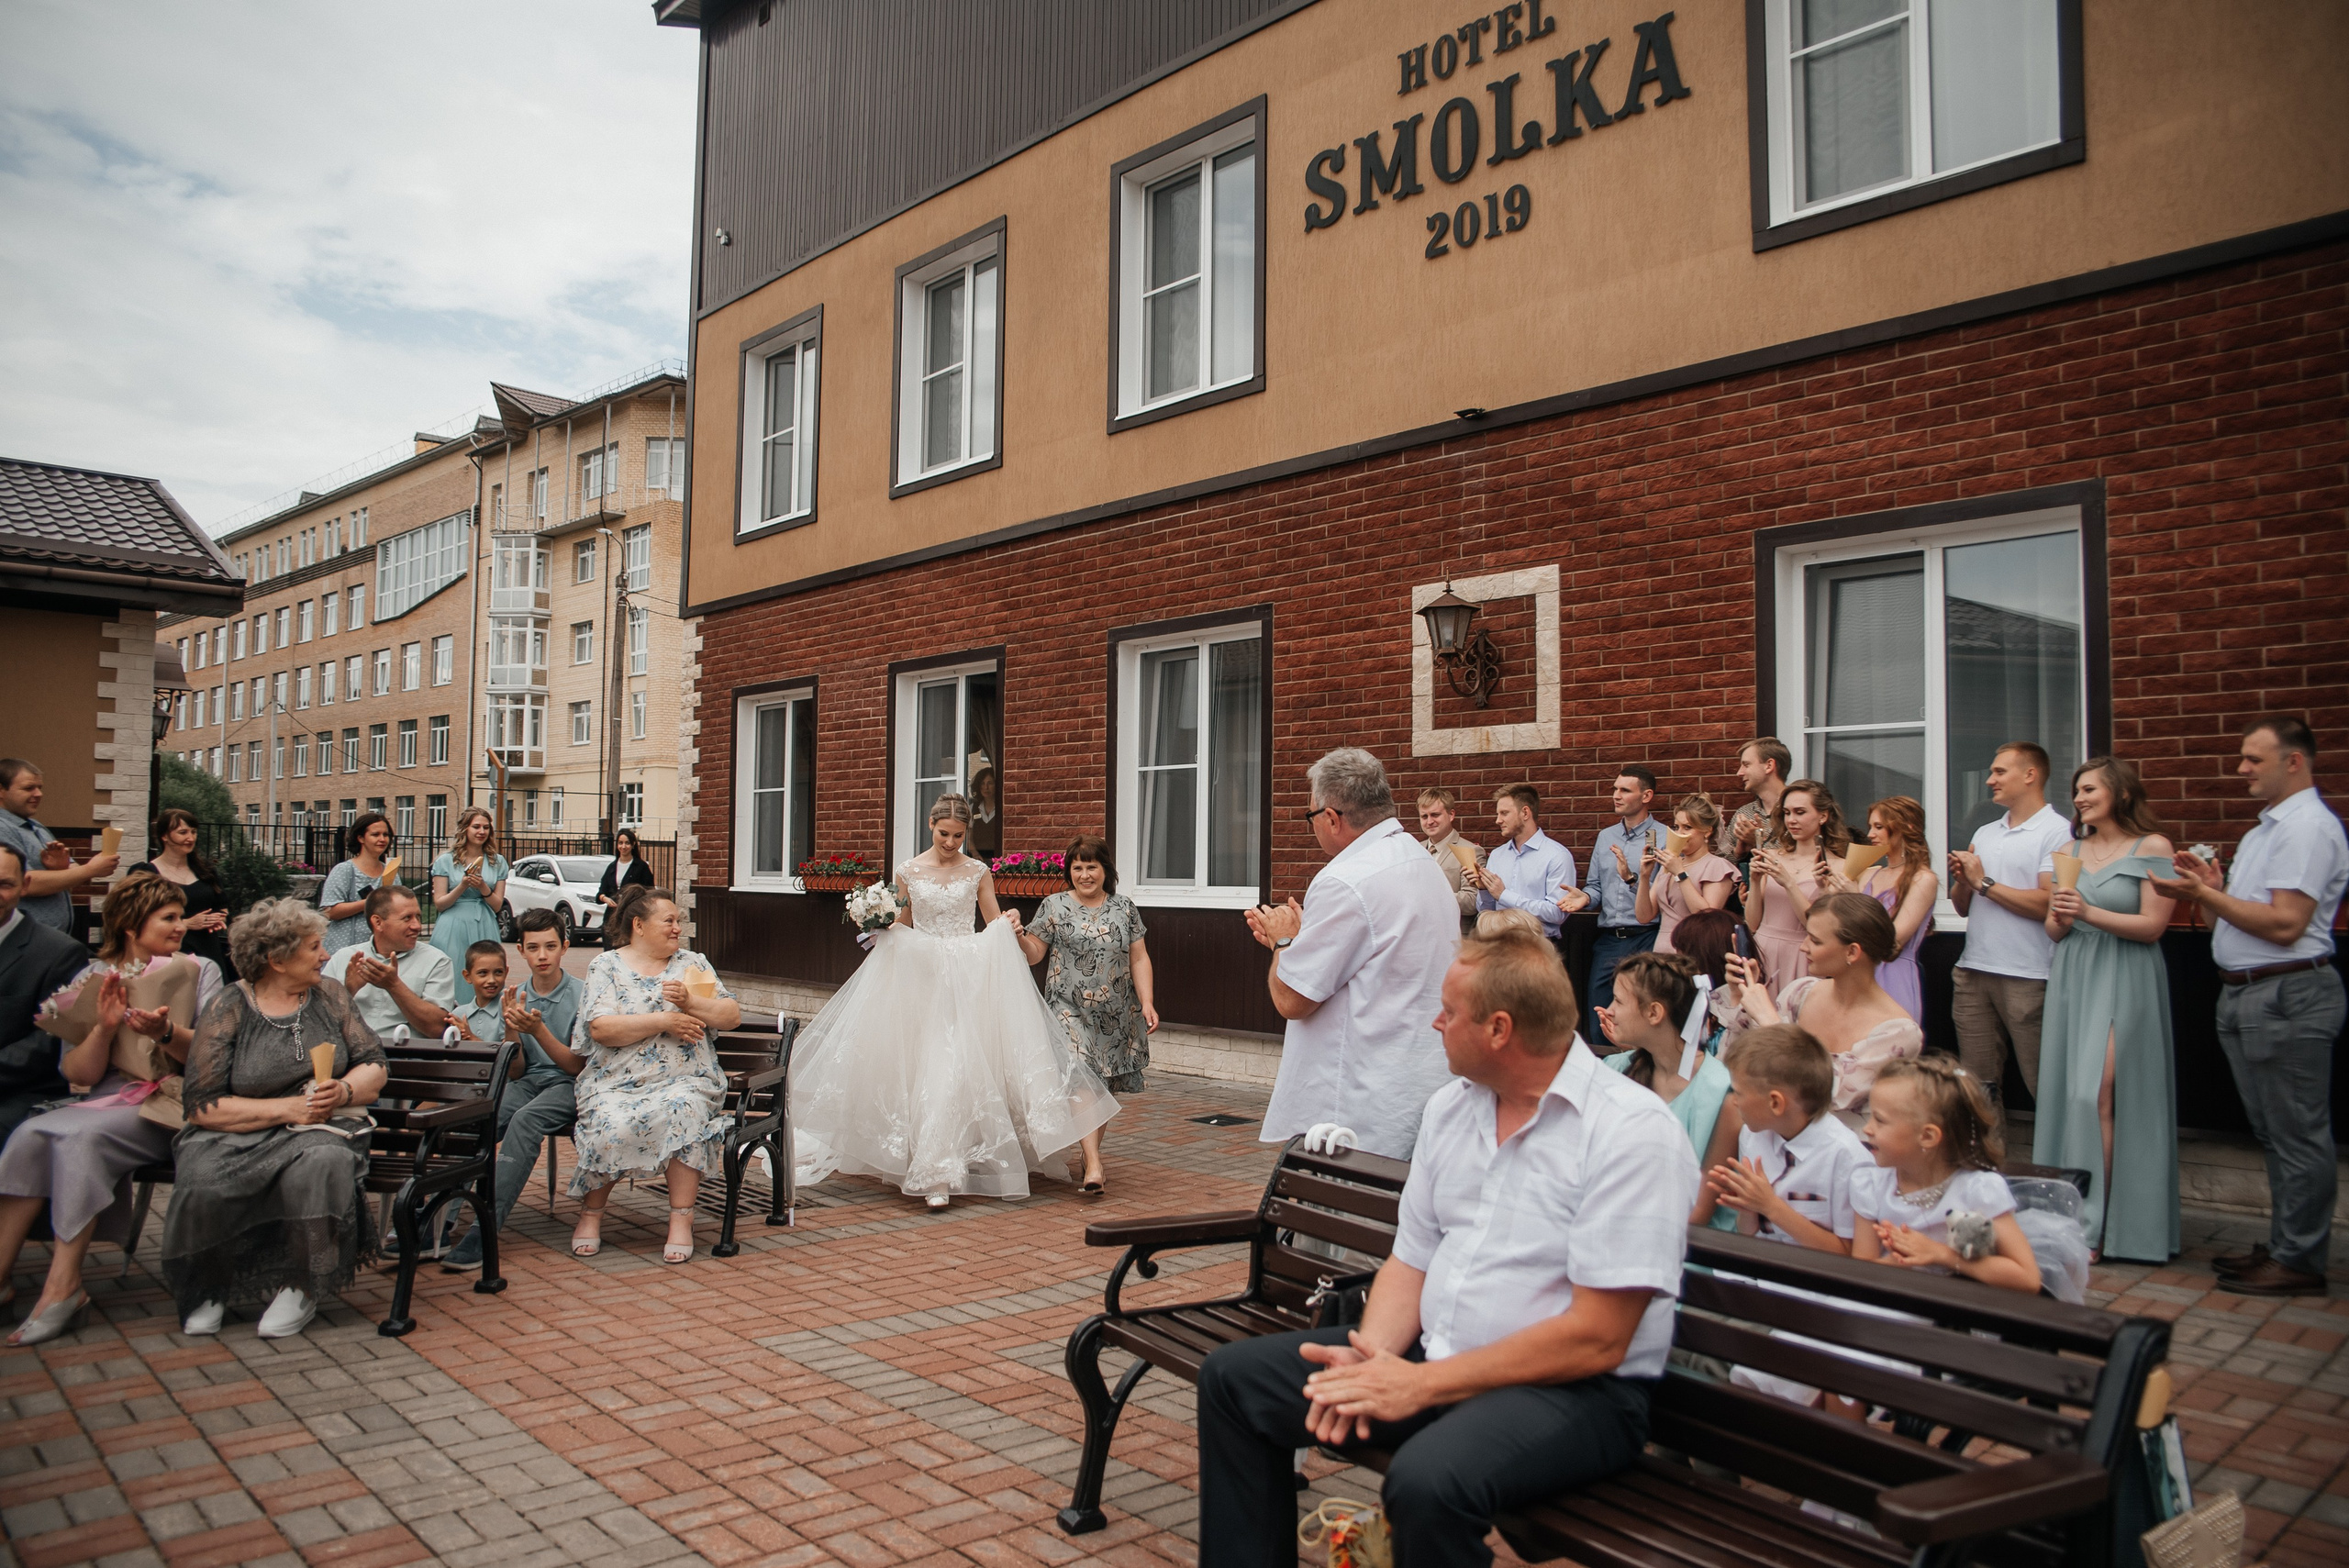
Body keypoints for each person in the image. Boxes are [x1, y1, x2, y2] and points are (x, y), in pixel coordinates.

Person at [1194, 925, 1696, 1567]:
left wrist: (1421, 1383)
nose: (1435, 1022)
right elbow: (1412, 1257)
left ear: (1499, 1030)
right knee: (1236, 1381)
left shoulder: (1631, 1131)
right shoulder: (1451, 1109)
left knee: (1429, 1482)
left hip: (1577, 1394)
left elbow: (1599, 1335)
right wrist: (1373, 1359)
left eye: (1449, 1011)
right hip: (1439, 1359)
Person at [791, 798, 1119, 1210]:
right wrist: (878, 923)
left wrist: (1010, 924)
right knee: (922, 1063)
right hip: (922, 976)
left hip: (967, 975)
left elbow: (991, 921)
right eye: (943, 833)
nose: (950, 842)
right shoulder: (908, 870)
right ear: (930, 825)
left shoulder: (977, 872)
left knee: (956, 1065)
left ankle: (947, 1165)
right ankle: (932, 1167)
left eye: (958, 836)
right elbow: (905, 923)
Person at [2152, 717, 2347, 1297]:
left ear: (2294, 761)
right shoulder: (2267, 830)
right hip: (2247, 990)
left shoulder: (2308, 828)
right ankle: (2288, 1245)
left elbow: (2287, 924)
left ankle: (2300, 1260)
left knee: (2297, 1135)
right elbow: (2232, 919)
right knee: (2273, 1132)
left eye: (2253, 759)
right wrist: (2213, 890)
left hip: (2287, 993)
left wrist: (2204, 893)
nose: (2241, 769)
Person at [0, 874, 223, 1343]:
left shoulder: (200, 970)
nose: (181, 926)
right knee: (29, 1134)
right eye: (169, 918)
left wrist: (163, 1032)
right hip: (102, 1095)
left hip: (169, 1100)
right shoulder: (92, 977)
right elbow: (78, 1075)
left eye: (180, 916)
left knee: (81, 1139)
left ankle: (63, 1288)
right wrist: (102, 1028)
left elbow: (211, 1058)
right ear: (130, 925)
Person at [164, 897, 389, 1340]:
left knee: (322, 1162)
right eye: (313, 947)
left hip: (324, 1126)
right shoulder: (230, 1005)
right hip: (244, 1128)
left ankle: (302, 1284)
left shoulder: (330, 995)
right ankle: (208, 1286)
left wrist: (342, 1089)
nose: (325, 956)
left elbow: (374, 1062)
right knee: (203, 1172)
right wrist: (286, 1109)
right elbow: (202, 1104)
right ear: (276, 959)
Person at [1246, 749, 1459, 1160]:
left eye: (1311, 816)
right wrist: (1311, 937)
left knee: (1346, 1216)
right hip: (1422, 1077)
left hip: (1357, 1104)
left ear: (1331, 817)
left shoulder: (1344, 880)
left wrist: (1285, 941)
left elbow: (1293, 999)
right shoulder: (1421, 861)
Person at [2039, 758, 2177, 1263]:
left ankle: (2099, 1225)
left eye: (2089, 789)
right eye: (2075, 791)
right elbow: (2055, 931)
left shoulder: (2154, 848)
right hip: (2075, 973)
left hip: (2127, 972)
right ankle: (2076, 1217)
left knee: (2096, 1092)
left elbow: (2153, 926)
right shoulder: (2067, 850)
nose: (2078, 798)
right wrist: (2059, 914)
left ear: (2119, 793)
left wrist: (2089, 911)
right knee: (2074, 1094)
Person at [569, 889, 742, 1262]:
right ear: (638, 925)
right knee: (610, 1120)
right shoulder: (606, 967)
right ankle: (591, 1215)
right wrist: (663, 1020)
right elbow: (601, 1028)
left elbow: (730, 1016)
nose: (678, 928)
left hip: (686, 1078)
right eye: (670, 921)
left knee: (684, 1110)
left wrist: (691, 1003)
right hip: (615, 1081)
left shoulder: (692, 964)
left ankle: (681, 1219)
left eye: (679, 921)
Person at [442, 910, 586, 1273]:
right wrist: (512, 1032)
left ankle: (484, 1226)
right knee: (478, 1116)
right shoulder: (515, 995)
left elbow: (576, 1067)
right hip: (527, 1081)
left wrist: (537, 1031)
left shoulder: (583, 994)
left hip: (571, 1086)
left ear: (564, 947)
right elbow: (517, 1069)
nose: (542, 955)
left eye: (550, 946)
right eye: (533, 947)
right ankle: (438, 1219)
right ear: (520, 950)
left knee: (525, 1120)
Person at [1017, 835, 1158, 1195]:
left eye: (1091, 866)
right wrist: (1019, 937)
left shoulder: (1124, 908)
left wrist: (1148, 1002)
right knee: (1081, 1077)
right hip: (1068, 1009)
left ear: (1105, 869)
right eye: (1077, 867)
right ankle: (1094, 1163)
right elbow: (1034, 953)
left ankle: (1089, 1153)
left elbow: (1139, 957)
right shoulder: (1053, 906)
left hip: (1116, 1013)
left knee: (1102, 1084)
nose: (1084, 874)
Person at [1851, 1057, 2042, 1296]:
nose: (1867, 1129)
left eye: (1879, 1120)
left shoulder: (1977, 1190)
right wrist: (1900, 1258)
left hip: (1951, 1311)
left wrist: (1940, 1254)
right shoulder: (1870, 1184)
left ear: (1928, 1137)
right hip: (1889, 1301)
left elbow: (2027, 1278)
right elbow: (1859, 1270)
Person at [1946, 742, 2069, 1102]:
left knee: (2043, 1083)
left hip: (2029, 975)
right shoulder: (1985, 832)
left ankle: (2056, 1158)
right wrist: (1962, 880)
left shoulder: (2057, 832)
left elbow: (2049, 902)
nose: (1989, 781)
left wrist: (1984, 883)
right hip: (1973, 971)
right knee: (1977, 1088)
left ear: (2030, 775)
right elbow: (1961, 908)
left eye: (2000, 772)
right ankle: (1988, 1160)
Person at [1733, 894, 1920, 1121]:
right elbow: (1743, 1061)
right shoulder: (1800, 993)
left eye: (1815, 940)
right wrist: (1740, 992)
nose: (1803, 947)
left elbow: (1831, 1092)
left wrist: (1771, 1023)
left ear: (1852, 952)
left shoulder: (1898, 1032)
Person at [1596, 952, 1739, 1229]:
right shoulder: (1614, 1069)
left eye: (1619, 1001)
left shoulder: (1721, 1090)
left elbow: (1698, 1211)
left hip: (1689, 1248)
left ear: (1654, 1013)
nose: (1609, 1010)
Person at [1706, 1024, 1869, 1257]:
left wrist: (1771, 1206)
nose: (1734, 1101)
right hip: (1758, 1273)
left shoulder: (1846, 1157)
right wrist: (1747, 1207)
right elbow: (1748, 1233)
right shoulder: (1752, 1135)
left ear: (1775, 1103)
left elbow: (1848, 1255)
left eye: (1739, 1093)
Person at [0, 844, 88, 1146]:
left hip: (19, 1093)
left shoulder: (59, 953)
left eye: (5, 885)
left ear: (24, 885)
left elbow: (48, 1041)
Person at [1826, 797, 1936, 1022]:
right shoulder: (1870, 873)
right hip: (1856, 973)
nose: (1870, 834)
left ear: (1907, 828)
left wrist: (1855, 896)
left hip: (1893, 975)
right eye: (1870, 827)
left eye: (1879, 827)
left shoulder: (1923, 879)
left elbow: (1893, 939)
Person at [1743, 779, 1851, 992]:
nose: (1791, 820)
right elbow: (1752, 923)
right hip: (1763, 949)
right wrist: (1755, 882)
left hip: (1802, 954)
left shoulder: (1839, 867)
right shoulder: (1772, 855)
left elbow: (1817, 926)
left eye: (1800, 812)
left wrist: (1789, 884)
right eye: (1787, 812)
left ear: (1823, 815)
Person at [321, 884, 458, 1040]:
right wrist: (348, 992)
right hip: (352, 1056)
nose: (417, 926)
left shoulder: (436, 961)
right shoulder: (344, 958)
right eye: (407, 918)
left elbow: (437, 1028)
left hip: (406, 1057)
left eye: (418, 917)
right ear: (378, 922)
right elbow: (319, 1022)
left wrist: (394, 985)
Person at [1, 758, 119, 931]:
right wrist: (91, 870)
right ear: (1, 791)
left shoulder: (36, 826)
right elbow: (24, 883)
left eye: (39, 788)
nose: (38, 794)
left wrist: (60, 870)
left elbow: (72, 873)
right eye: (28, 788)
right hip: (21, 944)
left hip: (50, 940)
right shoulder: (3, 827)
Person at [1583, 767, 1665, 1013]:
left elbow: (1664, 895)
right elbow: (1596, 886)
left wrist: (1631, 878)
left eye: (1625, 790)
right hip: (1609, 940)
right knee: (1599, 1011)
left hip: (1647, 937)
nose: (1616, 795)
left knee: (1641, 1011)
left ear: (1646, 796)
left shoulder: (1664, 838)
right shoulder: (1606, 837)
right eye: (1615, 789)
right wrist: (1584, 897)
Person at [130, 808, 235, 978]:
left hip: (208, 949)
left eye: (193, 832)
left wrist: (218, 919)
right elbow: (137, 920)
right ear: (165, 836)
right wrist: (186, 923)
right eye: (183, 832)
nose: (190, 838)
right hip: (167, 952)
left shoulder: (206, 871)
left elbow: (223, 906)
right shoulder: (145, 873)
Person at [1466, 783, 1576, 941]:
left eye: (1504, 813)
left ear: (1525, 813)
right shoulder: (1497, 855)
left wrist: (1504, 895)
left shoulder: (1557, 856)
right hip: (1497, 945)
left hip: (1538, 947)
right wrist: (1484, 890)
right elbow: (1486, 911)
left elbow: (1557, 913)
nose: (1498, 820)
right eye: (1498, 814)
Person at [1638, 794, 1736, 953]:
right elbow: (1644, 916)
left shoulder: (1717, 866)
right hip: (1662, 950)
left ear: (1707, 831)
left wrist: (1680, 874)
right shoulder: (1669, 864)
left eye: (1687, 827)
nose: (1679, 833)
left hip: (1695, 950)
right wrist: (1644, 877)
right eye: (1676, 827)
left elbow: (1707, 917)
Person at [428, 806, 507, 967]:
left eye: (486, 828)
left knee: (485, 970)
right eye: (476, 827)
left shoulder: (497, 861)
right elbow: (440, 904)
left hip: (484, 923)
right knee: (454, 970)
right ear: (465, 829)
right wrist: (463, 885)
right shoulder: (445, 861)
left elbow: (497, 905)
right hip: (453, 924)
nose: (482, 832)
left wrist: (483, 887)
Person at [317, 813, 395, 952]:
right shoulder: (345, 870)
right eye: (375, 834)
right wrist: (369, 903)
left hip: (378, 949)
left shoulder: (390, 871)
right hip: (345, 947)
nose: (382, 839)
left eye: (386, 834)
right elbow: (329, 911)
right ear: (360, 838)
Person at [1720, 737, 1792, 872]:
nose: (1739, 773)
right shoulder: (1744, 813)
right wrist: (1739, 852)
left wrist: (1757, 842)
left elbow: (1803, 863)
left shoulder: (1798, 811)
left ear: (1769, 766)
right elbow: (1721, 865)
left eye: (1746, 765)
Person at [1417, 787, 1484, 933]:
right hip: (1420, 938)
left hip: (1455, 940)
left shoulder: (1470, 850)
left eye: (1435, 815)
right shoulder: (1415, 850)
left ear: (1451, 814)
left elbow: (1473, 901)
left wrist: (1430, 897)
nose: (1429, 821)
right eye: (1424, 816)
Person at [596, 827, 655, 948]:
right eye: (620, 843)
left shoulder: (641, 867)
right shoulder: (612, 867)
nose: (623, 847)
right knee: (610, 950)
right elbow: (601, 892)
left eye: (627, 843)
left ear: (633, 845)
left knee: (627, 948)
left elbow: (650, 892)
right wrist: (605, 899)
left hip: (630, 915)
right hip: (611, 917)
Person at [451, 941, 509, 1043]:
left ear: (506, 972)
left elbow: (509, 1055)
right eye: (483, 973)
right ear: (467, 976)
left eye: (498, 972)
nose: (491, 980)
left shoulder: (508, 1011)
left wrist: (472, 1038)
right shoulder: (459, 1014)